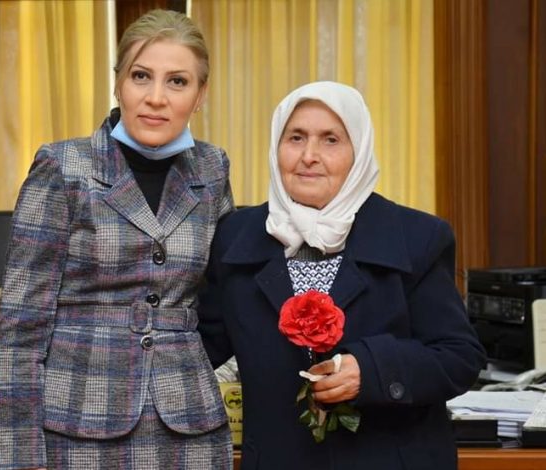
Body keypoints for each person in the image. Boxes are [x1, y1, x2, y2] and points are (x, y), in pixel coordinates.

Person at [199, 81, 486, 470]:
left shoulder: (417, 237)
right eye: (296, 137)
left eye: (330, 140)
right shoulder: (236, 237)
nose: (309, 156)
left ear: (359, 151)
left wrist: (371, 370)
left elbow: (459, 358)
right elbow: (199, 347)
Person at [0, 9, 234, 470]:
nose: (156, 98)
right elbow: (20, 332)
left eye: (177, 81)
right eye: (141, 76)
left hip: (189, 425)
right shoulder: (63, 166)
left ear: (200, 95)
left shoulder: (212, 168)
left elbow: (222, 300)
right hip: (79, 426)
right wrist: (20, 459)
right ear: (118, 83)